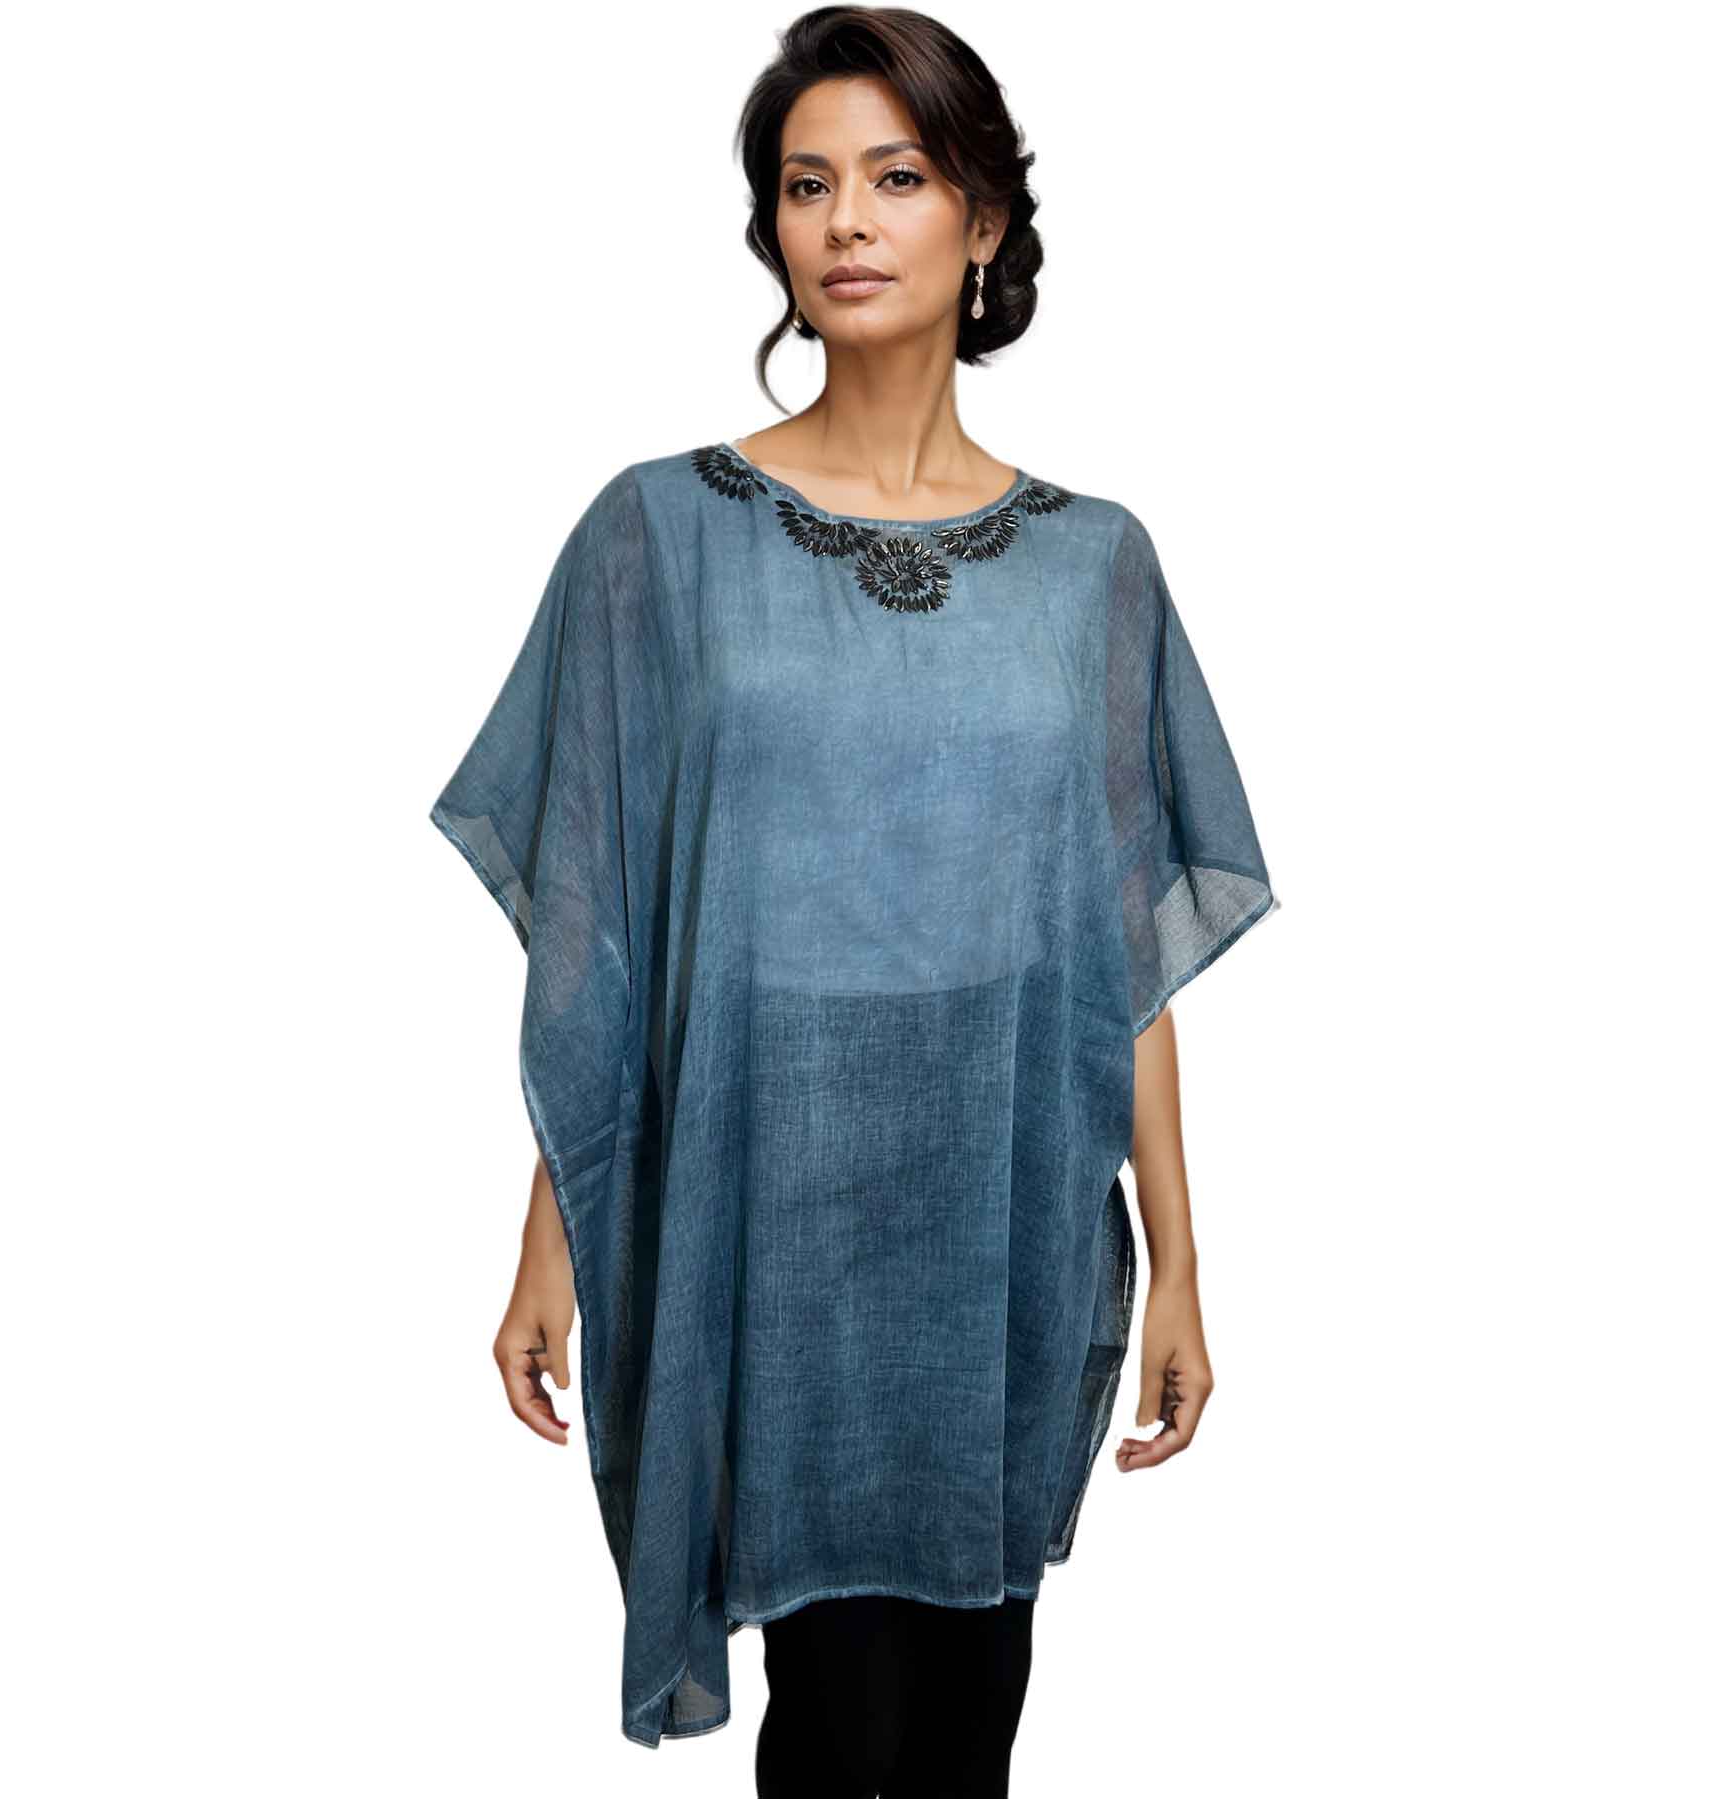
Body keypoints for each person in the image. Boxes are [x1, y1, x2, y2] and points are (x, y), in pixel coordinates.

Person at [428, 7, 1280, 1789]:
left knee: (971, 1713)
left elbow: (1121, 952)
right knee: (830, 1727)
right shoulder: (661, 537)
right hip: (768, 1195)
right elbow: (605, 933)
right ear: (772, 231)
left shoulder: (1096, 567)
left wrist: (1184, 1261)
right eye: (807, 185)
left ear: (983, 223)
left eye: (896, 178)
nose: (848, 222)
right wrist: (550, 1238)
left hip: (1001, 1199)